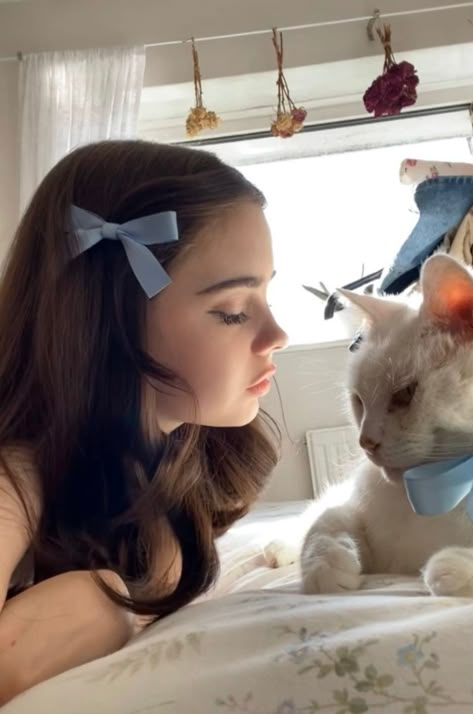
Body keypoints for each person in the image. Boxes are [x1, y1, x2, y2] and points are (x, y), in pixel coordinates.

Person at [0, 139, 288, 702]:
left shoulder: (184, 455)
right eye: (232, 310)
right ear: (111, 316)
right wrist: (96, 614)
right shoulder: (17, 476)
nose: (277, 335)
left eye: (267, 292)